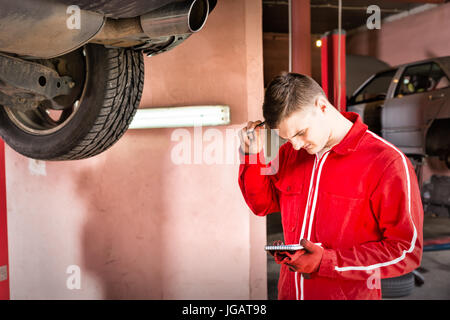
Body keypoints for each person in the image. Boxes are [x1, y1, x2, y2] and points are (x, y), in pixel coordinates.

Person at [237, 73, 423, 300]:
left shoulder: (387, 163)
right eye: (288, 138)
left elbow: (406, 251)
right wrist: (251, 156)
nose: (294, 146)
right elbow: (262, 204)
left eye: (300, 133)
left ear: (322, 106)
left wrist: (326, 262)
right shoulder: (291, 155)